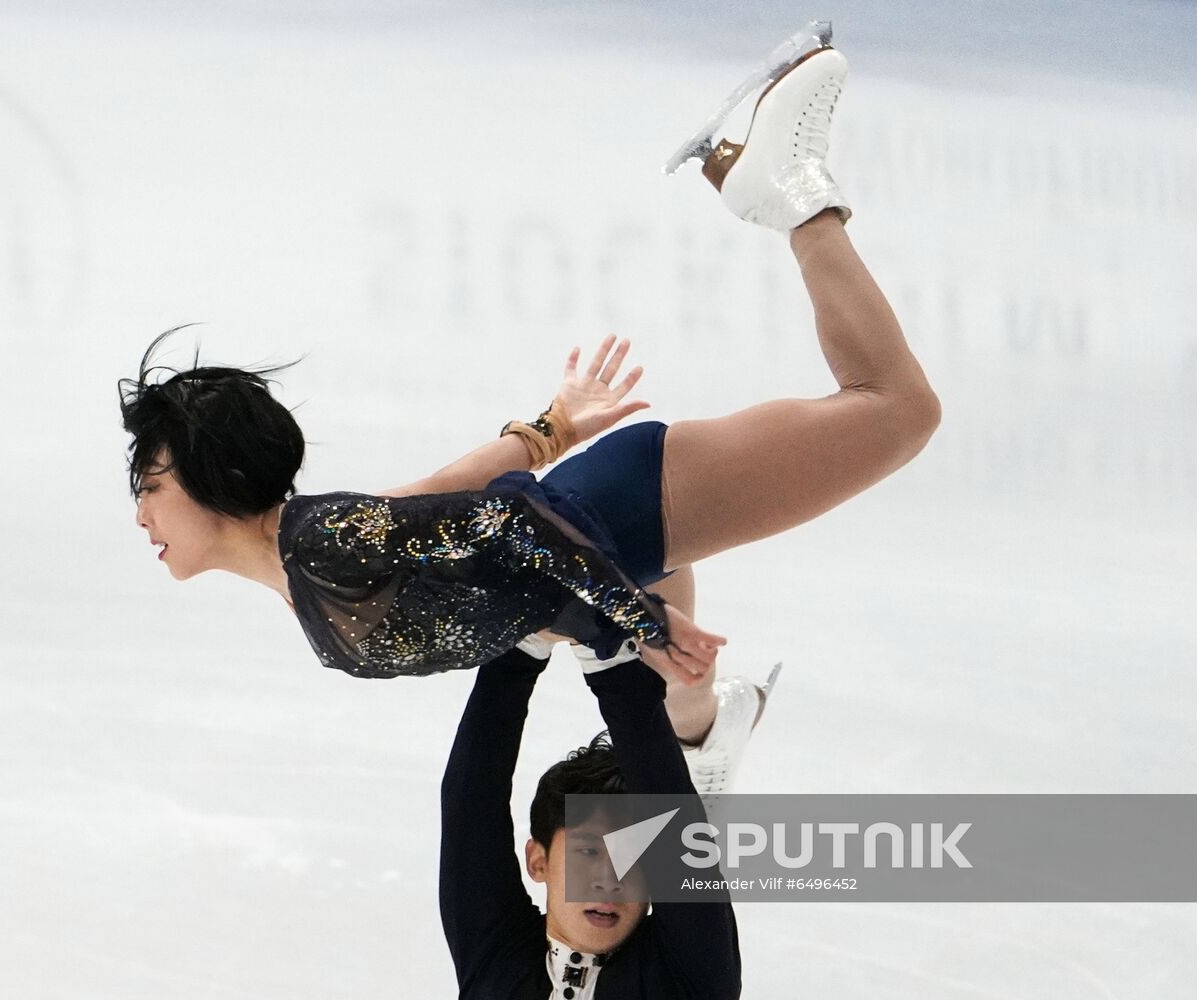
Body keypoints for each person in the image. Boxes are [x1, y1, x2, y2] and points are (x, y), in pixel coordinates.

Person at [122, 42, 938, 736]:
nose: (141, 512)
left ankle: (790, 189)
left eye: (151, 484)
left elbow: (511, 517)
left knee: (895, 409)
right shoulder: (308, 557)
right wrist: (550, 428)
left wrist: (631, 615)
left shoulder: (317, 541)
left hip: (618, 515)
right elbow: (437, 493)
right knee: (674, 715)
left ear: (211, 477)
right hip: (599, 562)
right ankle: (707, 735)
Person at [439, 638, 740, 999]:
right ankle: (701, 749)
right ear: (539, 860)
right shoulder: (500, 958)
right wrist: (605, 657)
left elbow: (471, 805)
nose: (609, 880)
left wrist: (523, 651)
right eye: (589, 852)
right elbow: (473, 816)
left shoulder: (688, 977)